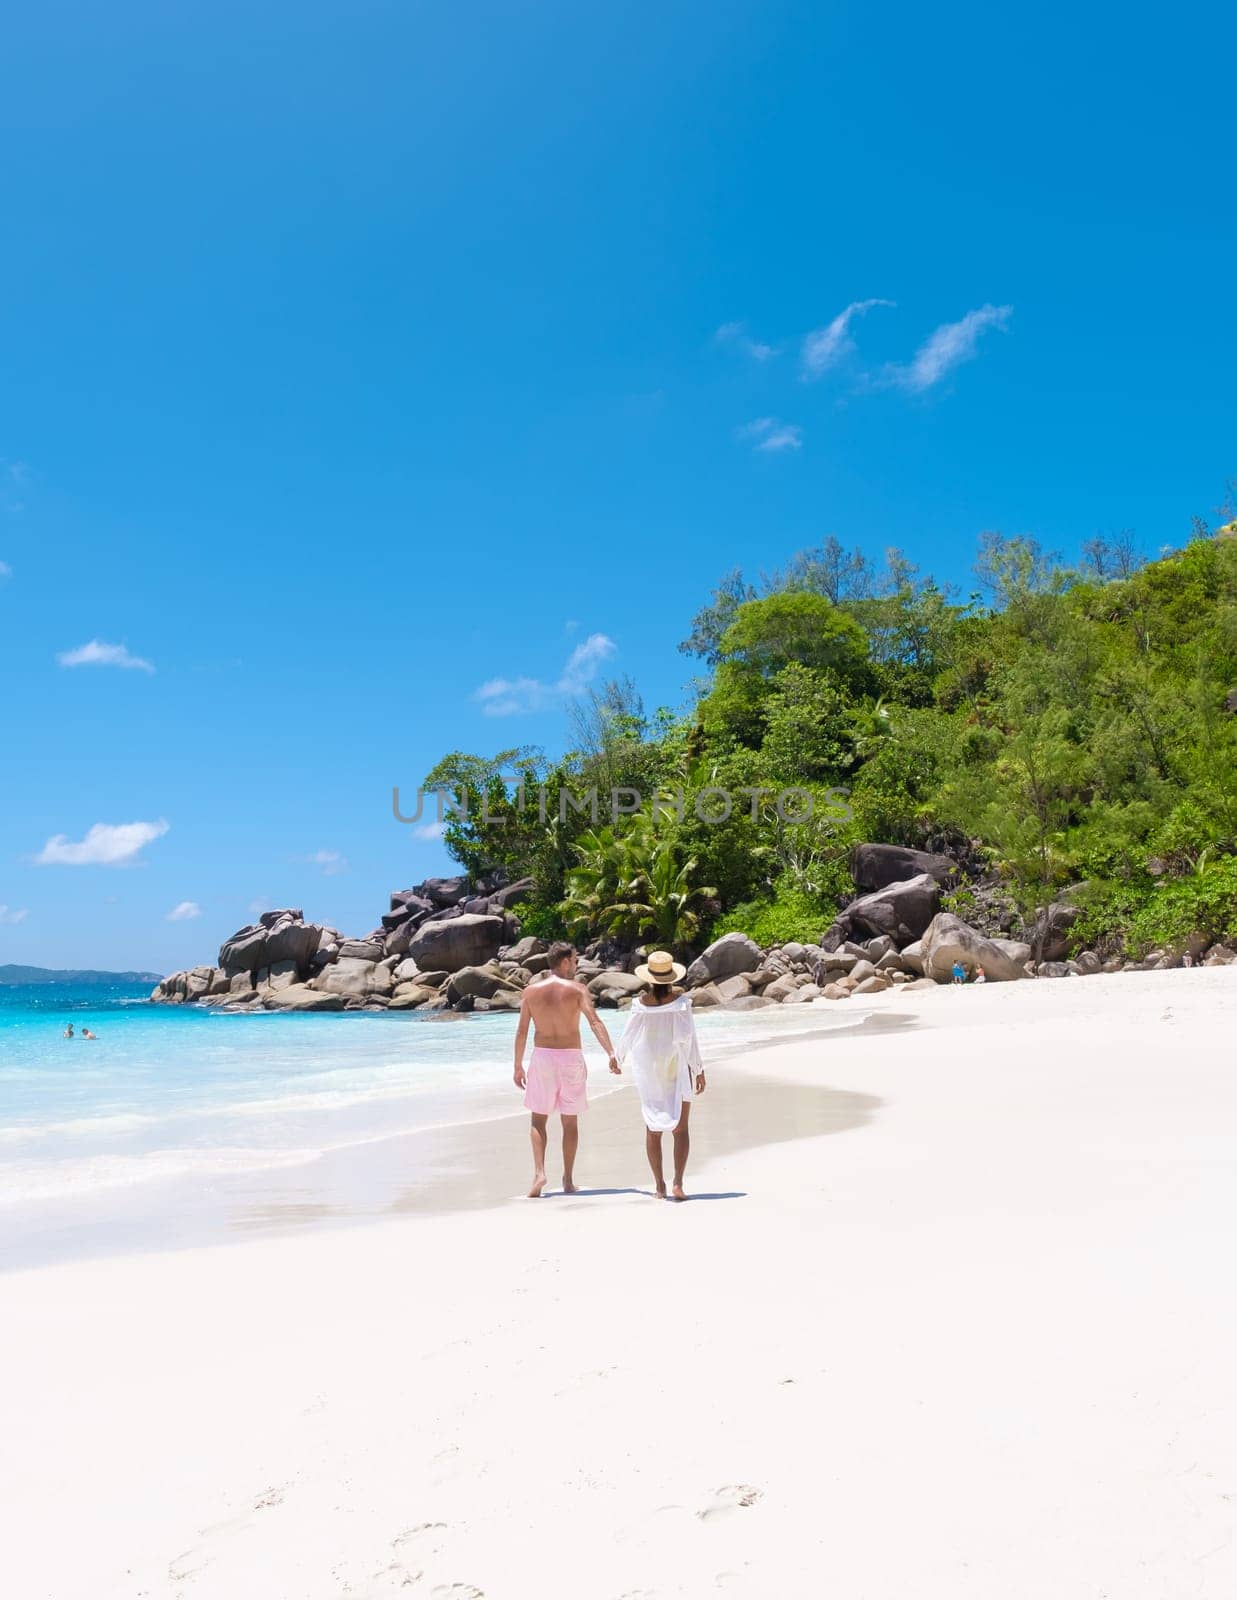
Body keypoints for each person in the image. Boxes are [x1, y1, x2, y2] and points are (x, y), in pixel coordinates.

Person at [513, 942, 620, 1198]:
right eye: (574, 960)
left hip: (542, 1058)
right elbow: (594, 1022)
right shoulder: (577, 990)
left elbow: (522, 1031)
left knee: (538, 1119)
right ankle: (568, 1180)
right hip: (570, 1057)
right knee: (569, 1121)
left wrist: (518, 1065)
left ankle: (539, 1173)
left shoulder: (530, 992)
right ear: (563, 962)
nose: (576, 964)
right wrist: (611, 1053)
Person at [614, 949, 706, 1201]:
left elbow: (628, 1034)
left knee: (652, 1128)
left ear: (649, 979)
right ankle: (678, 1182)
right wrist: (698, 1069)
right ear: (671, 978)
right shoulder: (681, 1004)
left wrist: (617, 1057)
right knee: (680, 1128)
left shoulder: (639, 1005)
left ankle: (659, 1186)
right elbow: (689, 1039)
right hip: (678, 1067)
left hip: (650, 1070)